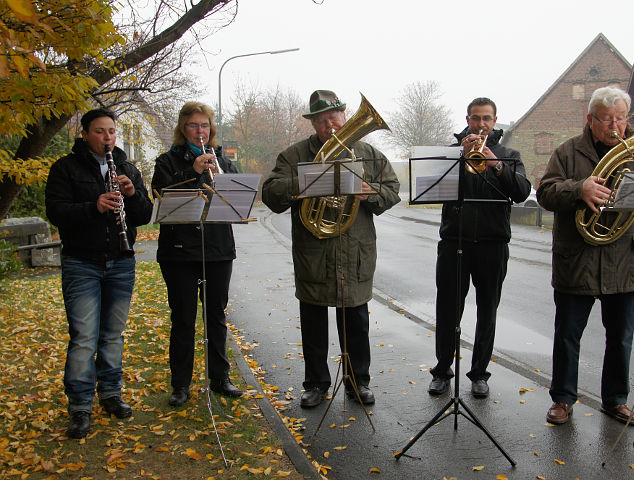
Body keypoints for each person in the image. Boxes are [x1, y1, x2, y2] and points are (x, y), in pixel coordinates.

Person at [262, 90, 400, 408]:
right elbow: (270, 193)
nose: (330, 126)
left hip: (356, 252)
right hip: (314, 250)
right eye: (322, 121)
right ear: (313, 124)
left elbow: (392, 190)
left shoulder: (367, 153)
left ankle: (358, 382)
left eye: (334, 117)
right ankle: (315, 384)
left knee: (356, 321)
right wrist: (305, 180)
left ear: (345, 115)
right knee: (313, 321)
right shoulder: (295, 155)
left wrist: (370, 192)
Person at [537, 86, 634, 426]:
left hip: (626, 260)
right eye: (607, 120)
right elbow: (545, 193)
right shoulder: (567, 152)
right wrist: (581, 189)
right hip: (577, 258)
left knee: (621, 338)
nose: (615, 127)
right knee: (568, 335)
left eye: (620, 119)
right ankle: (563, 399)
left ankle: (616, 400)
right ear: (590, 119)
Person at [46, 108, 153, 439]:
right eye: (99, 131)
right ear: (85, 134)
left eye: (111, 131)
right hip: (82, 262)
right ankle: (79, 405)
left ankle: (111, 394)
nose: (107, 138)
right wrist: (94, 205)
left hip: (121, 261)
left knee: (112, 334)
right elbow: (56, 213)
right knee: (83, 338)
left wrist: (133, 194)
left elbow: (146, 215)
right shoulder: (65, 168)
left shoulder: (127, 169)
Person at [428, 97, 531, 398]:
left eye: (487, 118)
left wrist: (495, 164)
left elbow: (522, 192)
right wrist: (460, 155)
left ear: (495, 120)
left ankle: (479, 374)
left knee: (487, 311)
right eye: (476, 118)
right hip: (453, 242)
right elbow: (432, 186)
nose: (481, 124)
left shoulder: (509, 155)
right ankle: (442, 370)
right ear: (468, 119)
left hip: (493, 244)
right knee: (447, 310)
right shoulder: (450, 154)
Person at [152, 101, 242, 407]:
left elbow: (239, 194)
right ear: (182, 128)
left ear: (211, 129)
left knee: (216, 315)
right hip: (179, 252)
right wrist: (191, 172)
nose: (199, 131)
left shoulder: (223, 160)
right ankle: (180, 384)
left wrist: (221, 173)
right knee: (183, 318)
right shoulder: (167, 161)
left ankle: (221, 378)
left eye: (204, 125)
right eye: (193, 125)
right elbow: (161, 193)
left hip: (217, 248)